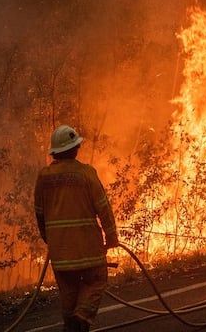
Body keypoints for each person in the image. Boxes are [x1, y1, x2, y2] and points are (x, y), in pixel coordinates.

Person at [34, 124, 121, 332]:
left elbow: (39, 213)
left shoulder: (43, 177)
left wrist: (50, 239)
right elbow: (103, 208)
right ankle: (80, 320)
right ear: (74, 149)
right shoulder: (86, 173)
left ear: (55, 152)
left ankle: (70, 325)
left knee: (68, 294)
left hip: (61, 255)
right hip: (88, 251)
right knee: (97, 281)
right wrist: (111, 237)